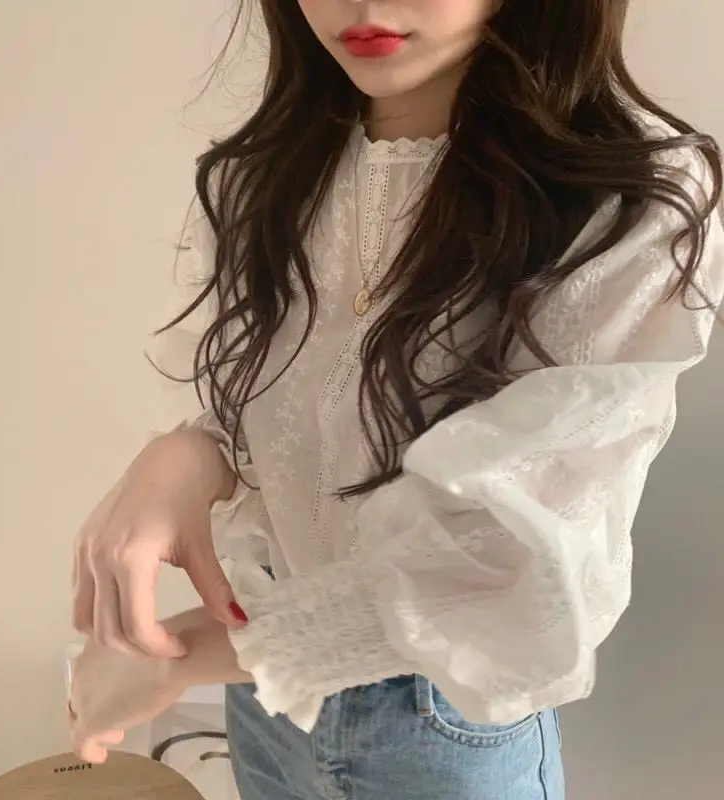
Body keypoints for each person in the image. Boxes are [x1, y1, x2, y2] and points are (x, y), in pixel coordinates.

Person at [67, 1, 724, 798]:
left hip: (438, 720)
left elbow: (509, 558)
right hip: (266, 706)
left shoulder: (629, 196)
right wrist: (192, 454)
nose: (366, 5)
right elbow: (288, 413)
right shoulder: (267, 173)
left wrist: (183, 656)